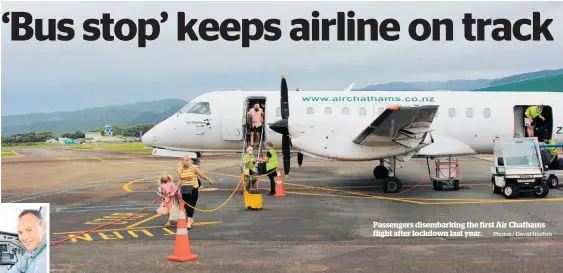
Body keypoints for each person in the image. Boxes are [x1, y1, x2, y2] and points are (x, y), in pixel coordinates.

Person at [177, 155, 214, 229]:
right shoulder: (180, 169)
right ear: (182, 161)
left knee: (191, 205)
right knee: (185, 205)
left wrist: (209, 179)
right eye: (185, 160)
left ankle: (189, 221)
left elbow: (201, 175)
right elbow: (180, 179)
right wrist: (176, 188)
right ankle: (190, 219)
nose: (187, 161)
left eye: (188, 160)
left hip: (193, 188)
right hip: (184, 188)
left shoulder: (194, 167)